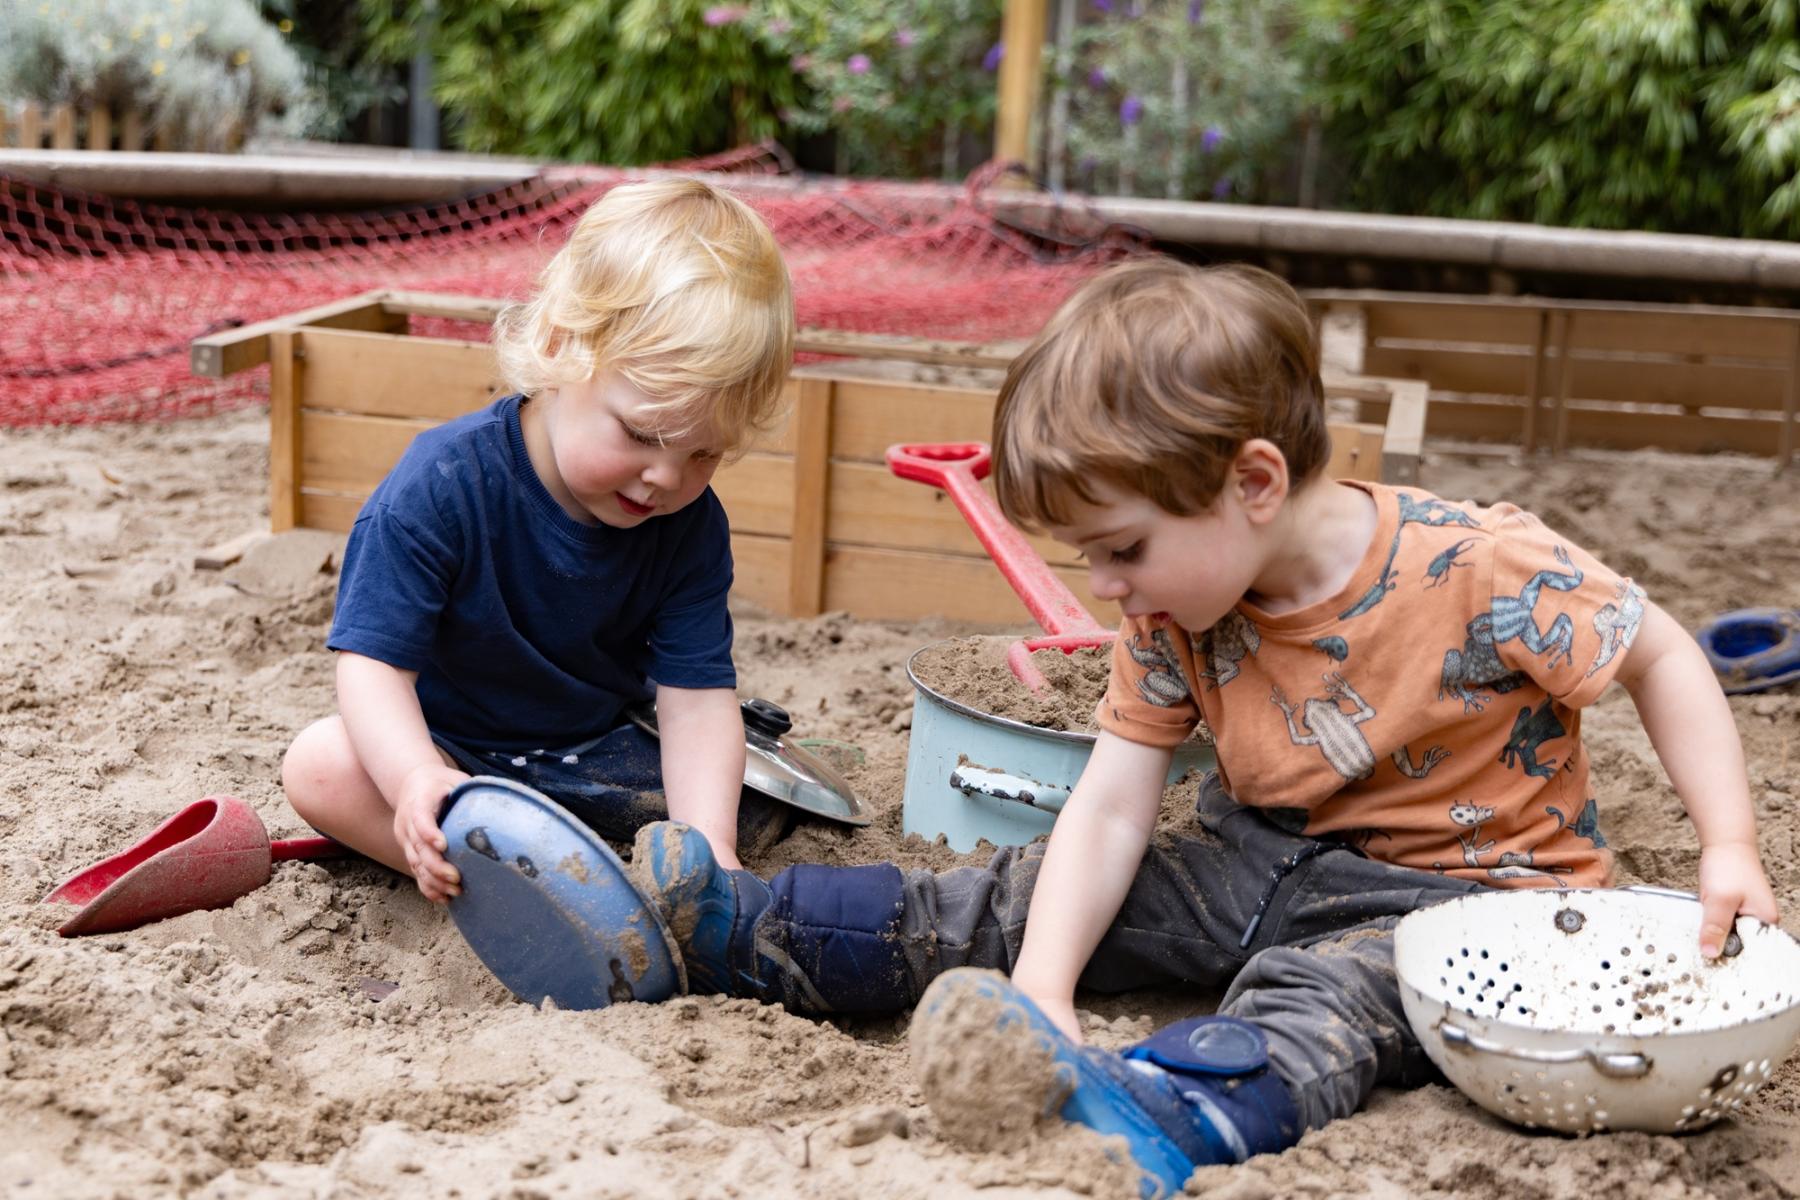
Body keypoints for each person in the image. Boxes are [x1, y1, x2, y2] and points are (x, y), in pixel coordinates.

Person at [596, 257, 1780, 1195]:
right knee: (1010, 895)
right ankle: (749, 931)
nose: (1106, 585)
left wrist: (1727, 842)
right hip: (1246, 859)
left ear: (1252, 484)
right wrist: (1046, 982)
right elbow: (1113, 806)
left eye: (1123, 547)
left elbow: (1662, 654)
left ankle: (1174, 1104)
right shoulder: (1173, 611)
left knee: (1328, 1003)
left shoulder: (1481, 565)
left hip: (1458, 905)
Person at [281, 177, 796, 905]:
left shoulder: (689, 523)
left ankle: (568, 875)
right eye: (642, 434)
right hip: (454, 753)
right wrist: (415, 778)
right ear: (560, 348)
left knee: (742, 797)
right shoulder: (442, 485)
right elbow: (372, 668)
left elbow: (695, 699)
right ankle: (526, 890)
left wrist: (709, 849)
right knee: (320, 765)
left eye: (704, 453)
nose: (665, 478)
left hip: (593, 755)